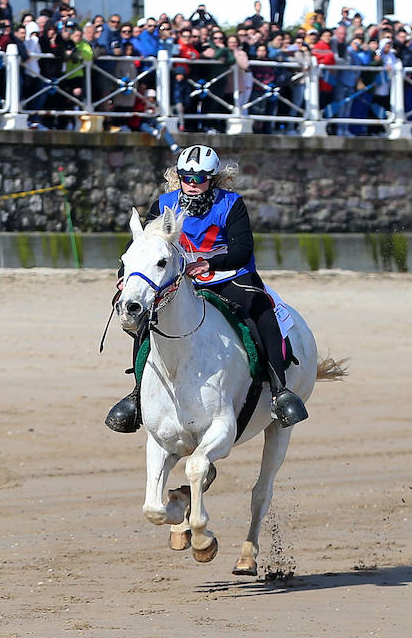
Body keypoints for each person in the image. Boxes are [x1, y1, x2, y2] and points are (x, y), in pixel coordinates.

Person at [106, 144, 309, 433]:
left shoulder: (231, 204)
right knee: (146, 319)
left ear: (212, 179)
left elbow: (243, 249)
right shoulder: (164, 204)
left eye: (198, 179)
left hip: (230, 276)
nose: (191, 184)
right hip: (179, 280)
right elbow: (140, 247)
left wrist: (209, 264)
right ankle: (138, 395)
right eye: (185, 177)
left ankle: (279, 391)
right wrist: (124, 275)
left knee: (261, 308)